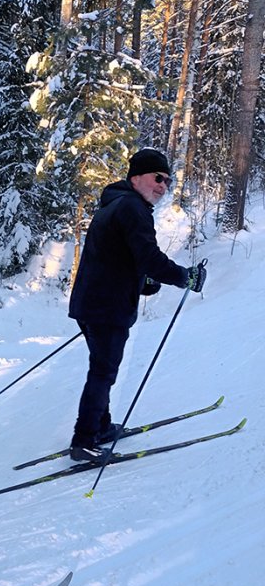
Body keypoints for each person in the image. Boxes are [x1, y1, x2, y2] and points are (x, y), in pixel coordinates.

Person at [68, 147, 207, 463]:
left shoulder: (115, 204)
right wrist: (186, 277)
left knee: (101, 369)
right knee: (103, 373)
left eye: (168, 182)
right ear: (137, 176)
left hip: (92, 303)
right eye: (158, 178)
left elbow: (116, 256)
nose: (162, 186)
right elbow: (149, 258)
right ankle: (84, 440)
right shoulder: (132, 207)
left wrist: (141, 280)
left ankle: (100, 427)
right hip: (107, 307)